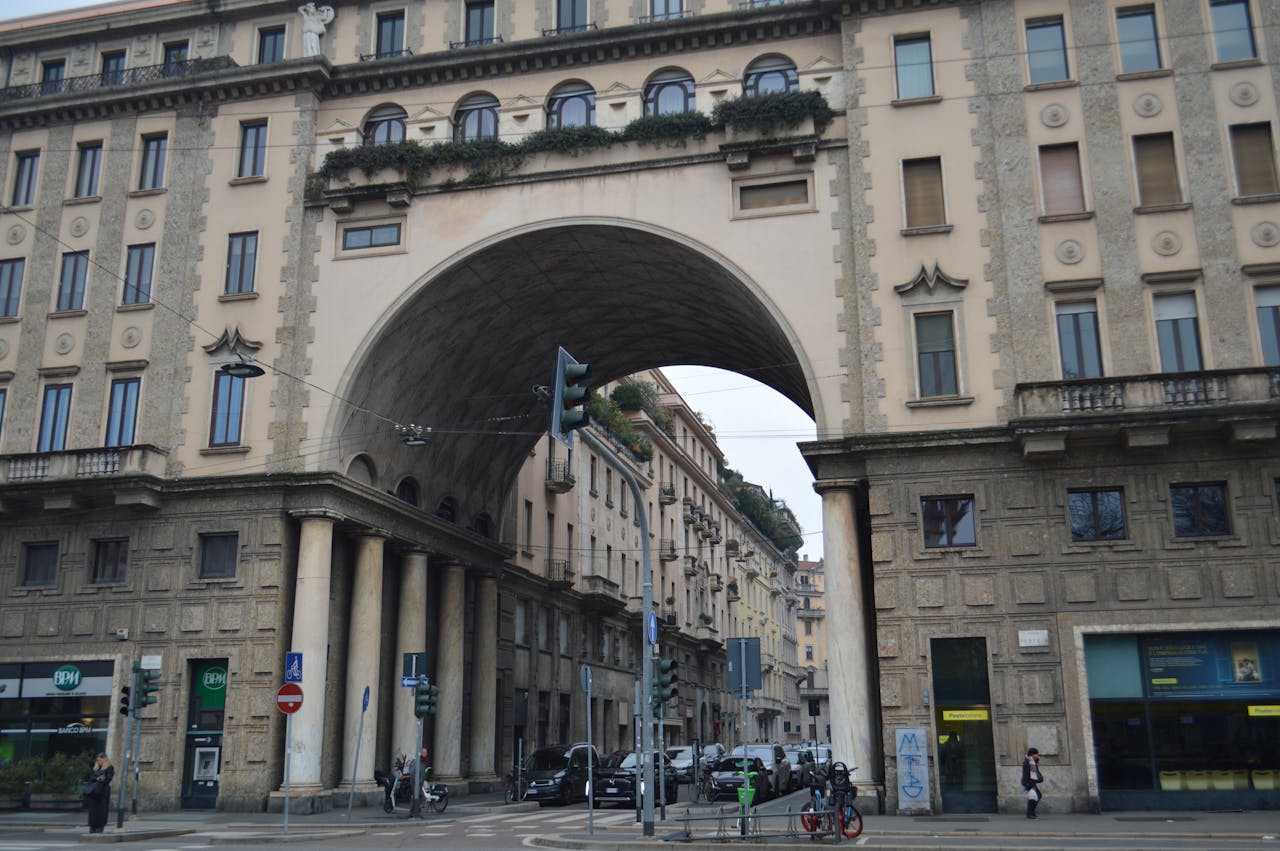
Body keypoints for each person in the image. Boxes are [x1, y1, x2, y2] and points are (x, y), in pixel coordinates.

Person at [85, 753, 114, 834]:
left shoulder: (109, 767)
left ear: (104, 759)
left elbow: (108, 779)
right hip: (94, 791)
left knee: (102, 810)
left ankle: (100, 826)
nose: (98, 762)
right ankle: (92, 826)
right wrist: (98, 778)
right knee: (93, 810)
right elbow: (91, 778)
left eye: (99, 760)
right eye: (97, 760)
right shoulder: (96, 768)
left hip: (103, 791)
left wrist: (102, 779)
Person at [1021, 747, 1043, 819]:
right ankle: (1030, 813)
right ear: (1033, 754)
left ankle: (1031, 813)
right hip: (1028, 782)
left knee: (1036, 796)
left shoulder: (1031, 761)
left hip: (1029, 782)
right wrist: (1032, 785)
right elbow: (1028, 775)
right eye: (1036, 754)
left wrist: (1037, 760)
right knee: (1035, 796)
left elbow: (1034, 772)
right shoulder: (1028, 762)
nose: (1038, 755)